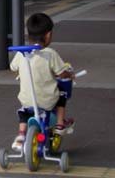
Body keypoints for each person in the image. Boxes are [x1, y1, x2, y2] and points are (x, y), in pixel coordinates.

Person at [10, 12, 75, 152]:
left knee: (25, 112)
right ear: (48, 35)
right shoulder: (50, 54)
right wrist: (70, 75)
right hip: (47, 101)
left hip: (26, 101)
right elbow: (61, 72)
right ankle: (59, 124)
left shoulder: (22, 53)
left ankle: (21, 135)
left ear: (28, 34)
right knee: (62, 94)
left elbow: (13, 68)